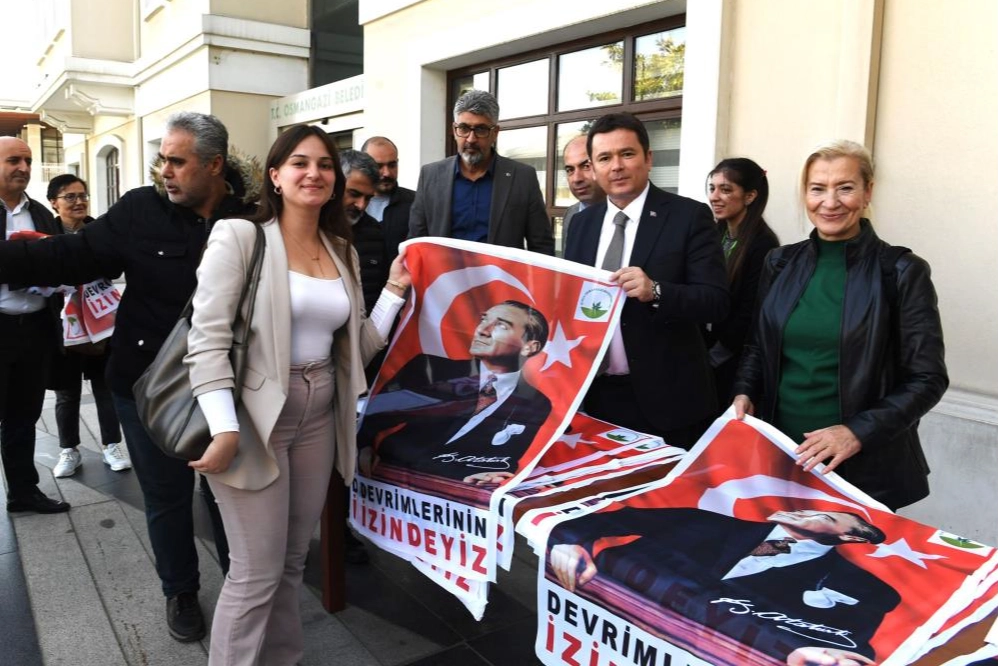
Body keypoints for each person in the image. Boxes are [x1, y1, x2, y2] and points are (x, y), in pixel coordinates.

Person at [0, 112, 256, 641]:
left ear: (215, 165)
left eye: (177, 161)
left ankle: (244, 587)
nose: (165, 171)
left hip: (230, 389)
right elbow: (69, 256)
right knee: (165, 497)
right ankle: (180, 591)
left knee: (228, 495)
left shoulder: (253, 218)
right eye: (162, 160)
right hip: (146, 387)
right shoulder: (141, 209)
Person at [185, 124, 410, 666]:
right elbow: (206, 338)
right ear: (275, 175)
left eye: (325, 165)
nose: (314, 173)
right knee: (254, 573)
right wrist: (224, 427)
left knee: (289, 564)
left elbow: (356, 347)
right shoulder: (242, 236)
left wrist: (395, 289)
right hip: (254, 417)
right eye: (300, 163)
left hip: (319, 412)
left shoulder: (341, 250)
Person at [732, 140, 948, 511]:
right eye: (817, 189)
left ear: (868, 192)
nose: (829, 202)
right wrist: (744, 390)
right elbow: (757, 345)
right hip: (780, 454)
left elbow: (927, 378)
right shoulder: (780, 263)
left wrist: (855, 432)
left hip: (860, 467)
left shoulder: (901, 271)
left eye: (845, 188)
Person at [563, 113, 729, 448]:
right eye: (604, 158)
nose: (617, 167)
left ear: (648, 158)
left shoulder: (688, 216)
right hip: (596, 397)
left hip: (667, 402)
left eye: (627, 154)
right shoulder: (581, 224)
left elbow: (716, 302)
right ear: (593, 168)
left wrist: (656, 291)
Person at [549, 507, 897, 664]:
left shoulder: (863, 587)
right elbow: (608, 520)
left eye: (823, 517)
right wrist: (569, 542)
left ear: (851, 537)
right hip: (613, 633)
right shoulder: (705, 522)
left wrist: (836, 657)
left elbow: (849, 645)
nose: (801, 512)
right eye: (805, 509)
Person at [359, 300, 552, 484]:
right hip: (389, 474)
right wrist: (363, 447)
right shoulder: (429, 368)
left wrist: (480, 477)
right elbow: (372, 419)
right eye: (483, 320)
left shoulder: (537, 403)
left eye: (501, 325)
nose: (482, 330)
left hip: (457, 490)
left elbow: (503, 460)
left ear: (530, 347)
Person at [0, 136, 69, 514]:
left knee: (23, 416)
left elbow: (57, 260)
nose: (23, 168)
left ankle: (23, 491)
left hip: (34, 329)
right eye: (14, 160)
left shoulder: (40, 213)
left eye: (27, 161)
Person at [46, 175, 130, 478]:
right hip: (63, 326)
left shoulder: (100, 231)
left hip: (100, 323)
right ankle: (69, 449)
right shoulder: (46, 234)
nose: (78, 202)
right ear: (54, 203)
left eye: (83, 195)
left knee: (105, 388)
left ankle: (111, 445)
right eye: (70, 197)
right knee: (66, 393)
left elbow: (115, 268)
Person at [408, 90, 554, 255]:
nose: (471, 139)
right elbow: (416, 242)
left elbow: (541, 245)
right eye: (464, 128)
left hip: (500, 272)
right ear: (454, 129)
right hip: (444, 272)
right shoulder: (430, 176)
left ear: (495, 133)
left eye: (481, 130)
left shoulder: (522, 178)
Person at [702, 158, 779, 405]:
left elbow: (750, 313)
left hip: (732, 362)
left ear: (750, 196)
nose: (714, 197)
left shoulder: (763, 245)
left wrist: (713, 357)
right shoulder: (714, 234)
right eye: (712, 188)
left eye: (725, 189)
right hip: (704, 350)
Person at [360, 135, 414, 259]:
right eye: (378, 166)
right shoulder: (347, 204)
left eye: (392, 165)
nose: (387, 173)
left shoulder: (415, 204)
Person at [561, 134, 605, 241]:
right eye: (570, 170)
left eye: (586, 166)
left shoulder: (623, 215)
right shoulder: (571, 214)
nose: (577, 179)